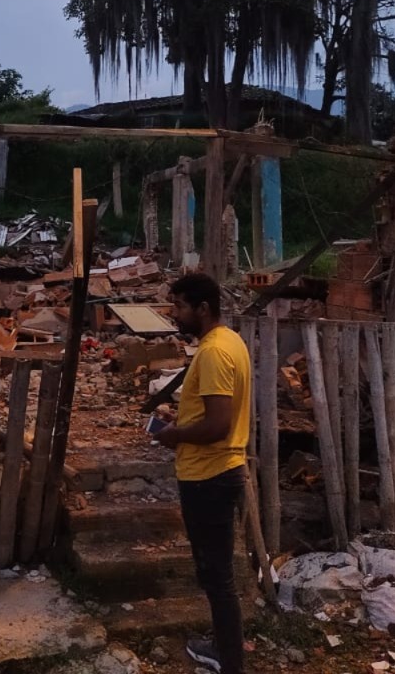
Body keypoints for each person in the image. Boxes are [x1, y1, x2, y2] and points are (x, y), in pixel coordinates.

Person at [154, 273, 253, 674]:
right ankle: (224, 648)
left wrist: (174, 434)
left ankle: (230, 662)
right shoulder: (231, 342)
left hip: (208, 476)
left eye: (179, 307)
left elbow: (217, 426)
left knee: (217, 576)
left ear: (203, 309)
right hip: (219, 471)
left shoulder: (213, 353)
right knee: (215, 572)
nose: (174, 314)